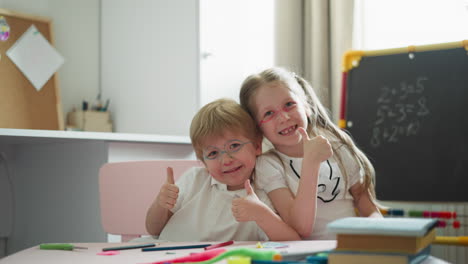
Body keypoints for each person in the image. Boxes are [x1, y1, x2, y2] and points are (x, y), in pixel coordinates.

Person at [238, 67, 382, 240]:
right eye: (269, 113)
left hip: (350, 249)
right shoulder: (268, 165)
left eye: (289, 104)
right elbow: (300, 227)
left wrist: (375, 223)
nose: (284, 118)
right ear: (257, 127)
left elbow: (366, 203)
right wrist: (311, 163)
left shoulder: (337, 149)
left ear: (306, 106)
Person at [145, 98, 300, 241]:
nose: (226, 160)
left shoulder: (263, 194)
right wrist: (160, 204)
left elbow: (292, 242)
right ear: (203, 162)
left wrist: (262, 215)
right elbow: (154, 229)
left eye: (234, 146)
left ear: (257, 146)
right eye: (213, 153)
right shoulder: (194, 179)